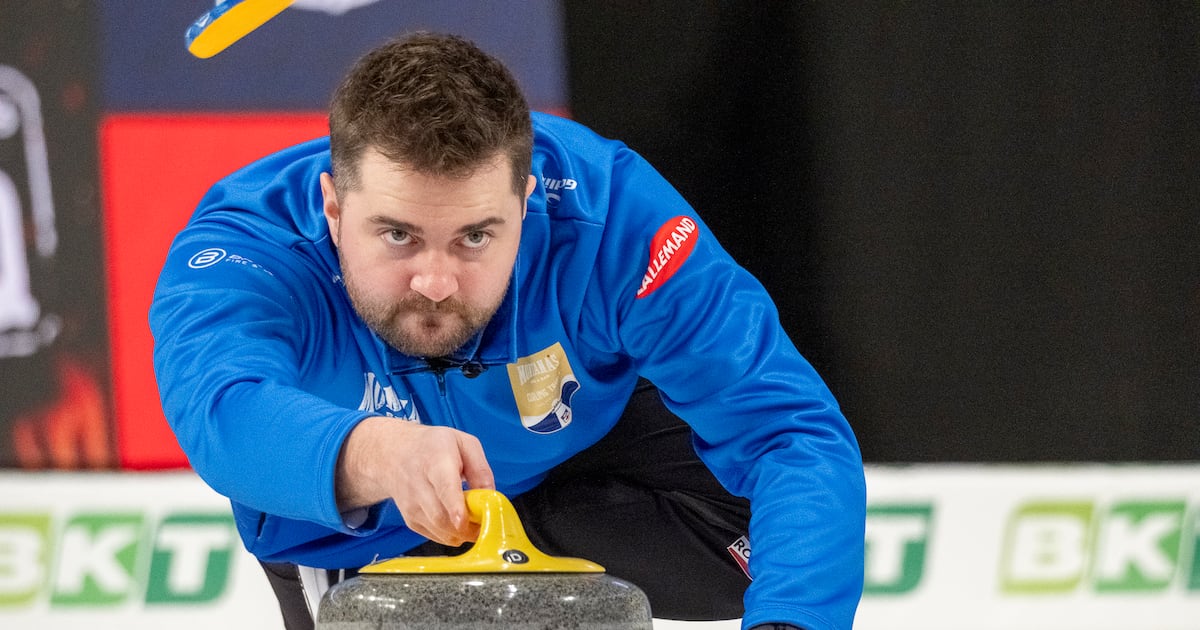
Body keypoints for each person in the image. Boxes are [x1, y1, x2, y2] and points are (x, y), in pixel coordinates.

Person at [150, 32, 865, 630]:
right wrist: (379, 453)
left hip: (577, 437)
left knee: (772, 548)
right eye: (397, 235)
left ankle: (523, 540)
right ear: (332, 206)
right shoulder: (247, 247)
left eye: (474, 237)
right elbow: (221, 407)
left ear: (525, 203)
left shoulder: (615, 216)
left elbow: (788, 434)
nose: (435, 281)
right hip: (372, 519)